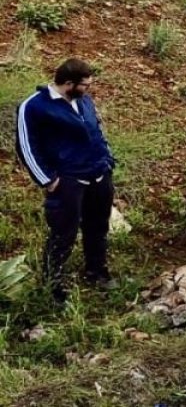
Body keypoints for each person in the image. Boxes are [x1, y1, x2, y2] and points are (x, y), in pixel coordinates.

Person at [15, 58, 117, 303]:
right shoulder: (34, 107)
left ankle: (96, 272)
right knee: (63, 233)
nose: (89, 89)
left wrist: (107, 158)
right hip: (67, 181)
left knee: (97, 226)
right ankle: (53, 285)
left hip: (98, 173)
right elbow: (26, 147)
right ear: (69, 83)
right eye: (85, 85)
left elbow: (97, 130)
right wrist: (48, 180)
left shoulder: (83, 101)